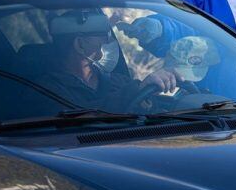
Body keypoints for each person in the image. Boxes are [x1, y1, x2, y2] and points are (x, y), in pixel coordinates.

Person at [39, 10, 176, 113]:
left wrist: (150, 92)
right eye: (104, 38)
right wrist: (135, 91)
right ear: (80, 45)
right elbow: (82, 117)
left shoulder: (118, 81)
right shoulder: (46, 91)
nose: (111, 43)